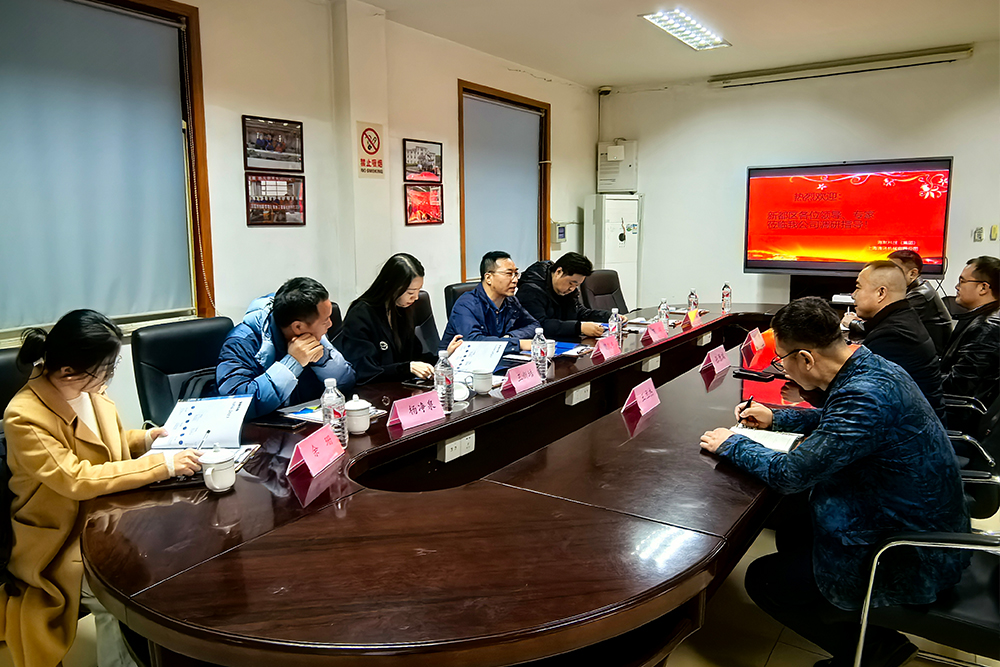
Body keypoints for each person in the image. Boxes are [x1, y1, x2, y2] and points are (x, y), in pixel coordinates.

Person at [699, 297, 968, 667]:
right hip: (904, 518)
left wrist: (732, 443)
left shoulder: (865, 397)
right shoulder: (869, 367)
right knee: (793, 527)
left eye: (782, 360)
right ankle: (837, 612)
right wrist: (777, 417)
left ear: (805, 359)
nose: (782, 368)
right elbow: (837, 420)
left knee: (764, 579)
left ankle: (877, 650)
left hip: (905, 551)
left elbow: (790, 474)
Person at [1, 310, 201, 667]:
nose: (109, 376)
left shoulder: (90, 391)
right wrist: (161, 465)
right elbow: (76, 478)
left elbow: (107, 443)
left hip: (109, 515)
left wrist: (145, 439)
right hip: (61, 537)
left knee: (175, 553)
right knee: (119, 592)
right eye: (106, 368)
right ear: (68, 371)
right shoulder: (25, 416)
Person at [217, 277, 355, 419]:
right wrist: (292, 363)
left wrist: (323, 360)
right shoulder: (241, 342)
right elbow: (235, 405)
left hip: (302, 422)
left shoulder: (311, 334)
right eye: (325, 320)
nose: (330, 324)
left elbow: (346, 382)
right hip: (261, 428)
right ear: (298, 327)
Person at [334, 254, 462, 385]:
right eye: (410, 292)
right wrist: (407, 368)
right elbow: (365, 371)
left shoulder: (402, 310)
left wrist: (443, 357)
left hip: (402, 387)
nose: (416, 297)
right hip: (375, 391)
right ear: (391, 286)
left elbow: (415, 356)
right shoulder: (361, 315)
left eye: (418, 291)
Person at [839, 261, 945, 420]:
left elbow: (862, 393)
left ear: (881, 293)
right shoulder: (902, 318)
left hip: (911, 427)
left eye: (858, 287)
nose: (854, 295)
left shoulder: (893, 335)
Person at [440, 251, 539, 354]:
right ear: (488, 278)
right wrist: (518, 343)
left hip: (496, 357)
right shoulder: (466, 305)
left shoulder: (510, 301)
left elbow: (534, 326)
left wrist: (510, 337)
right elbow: (473, 342)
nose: (515, 280)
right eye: (509, 274)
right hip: (457, 361)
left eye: (516, 274)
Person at [941, 255, 999, 408]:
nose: (956, 287)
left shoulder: (988, 329)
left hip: (956, 411)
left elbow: (960, 386)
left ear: (983, 288)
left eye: (962, 281)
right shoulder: (984, 318)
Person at [518, 252, 615, 339]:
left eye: (577, 285)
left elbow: (579, 312)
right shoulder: (531, 290)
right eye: (571, 283)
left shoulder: (567, 290)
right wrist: (579, 328)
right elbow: (539, 325)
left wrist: (609, 316)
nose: (572, 289)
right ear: (559, 272)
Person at [886, 249, 952, 355]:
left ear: (913, 273)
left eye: (894, 271)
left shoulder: (920, 295)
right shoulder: (916, 289)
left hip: (933, 357)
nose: (888, 275)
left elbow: (888, 324)